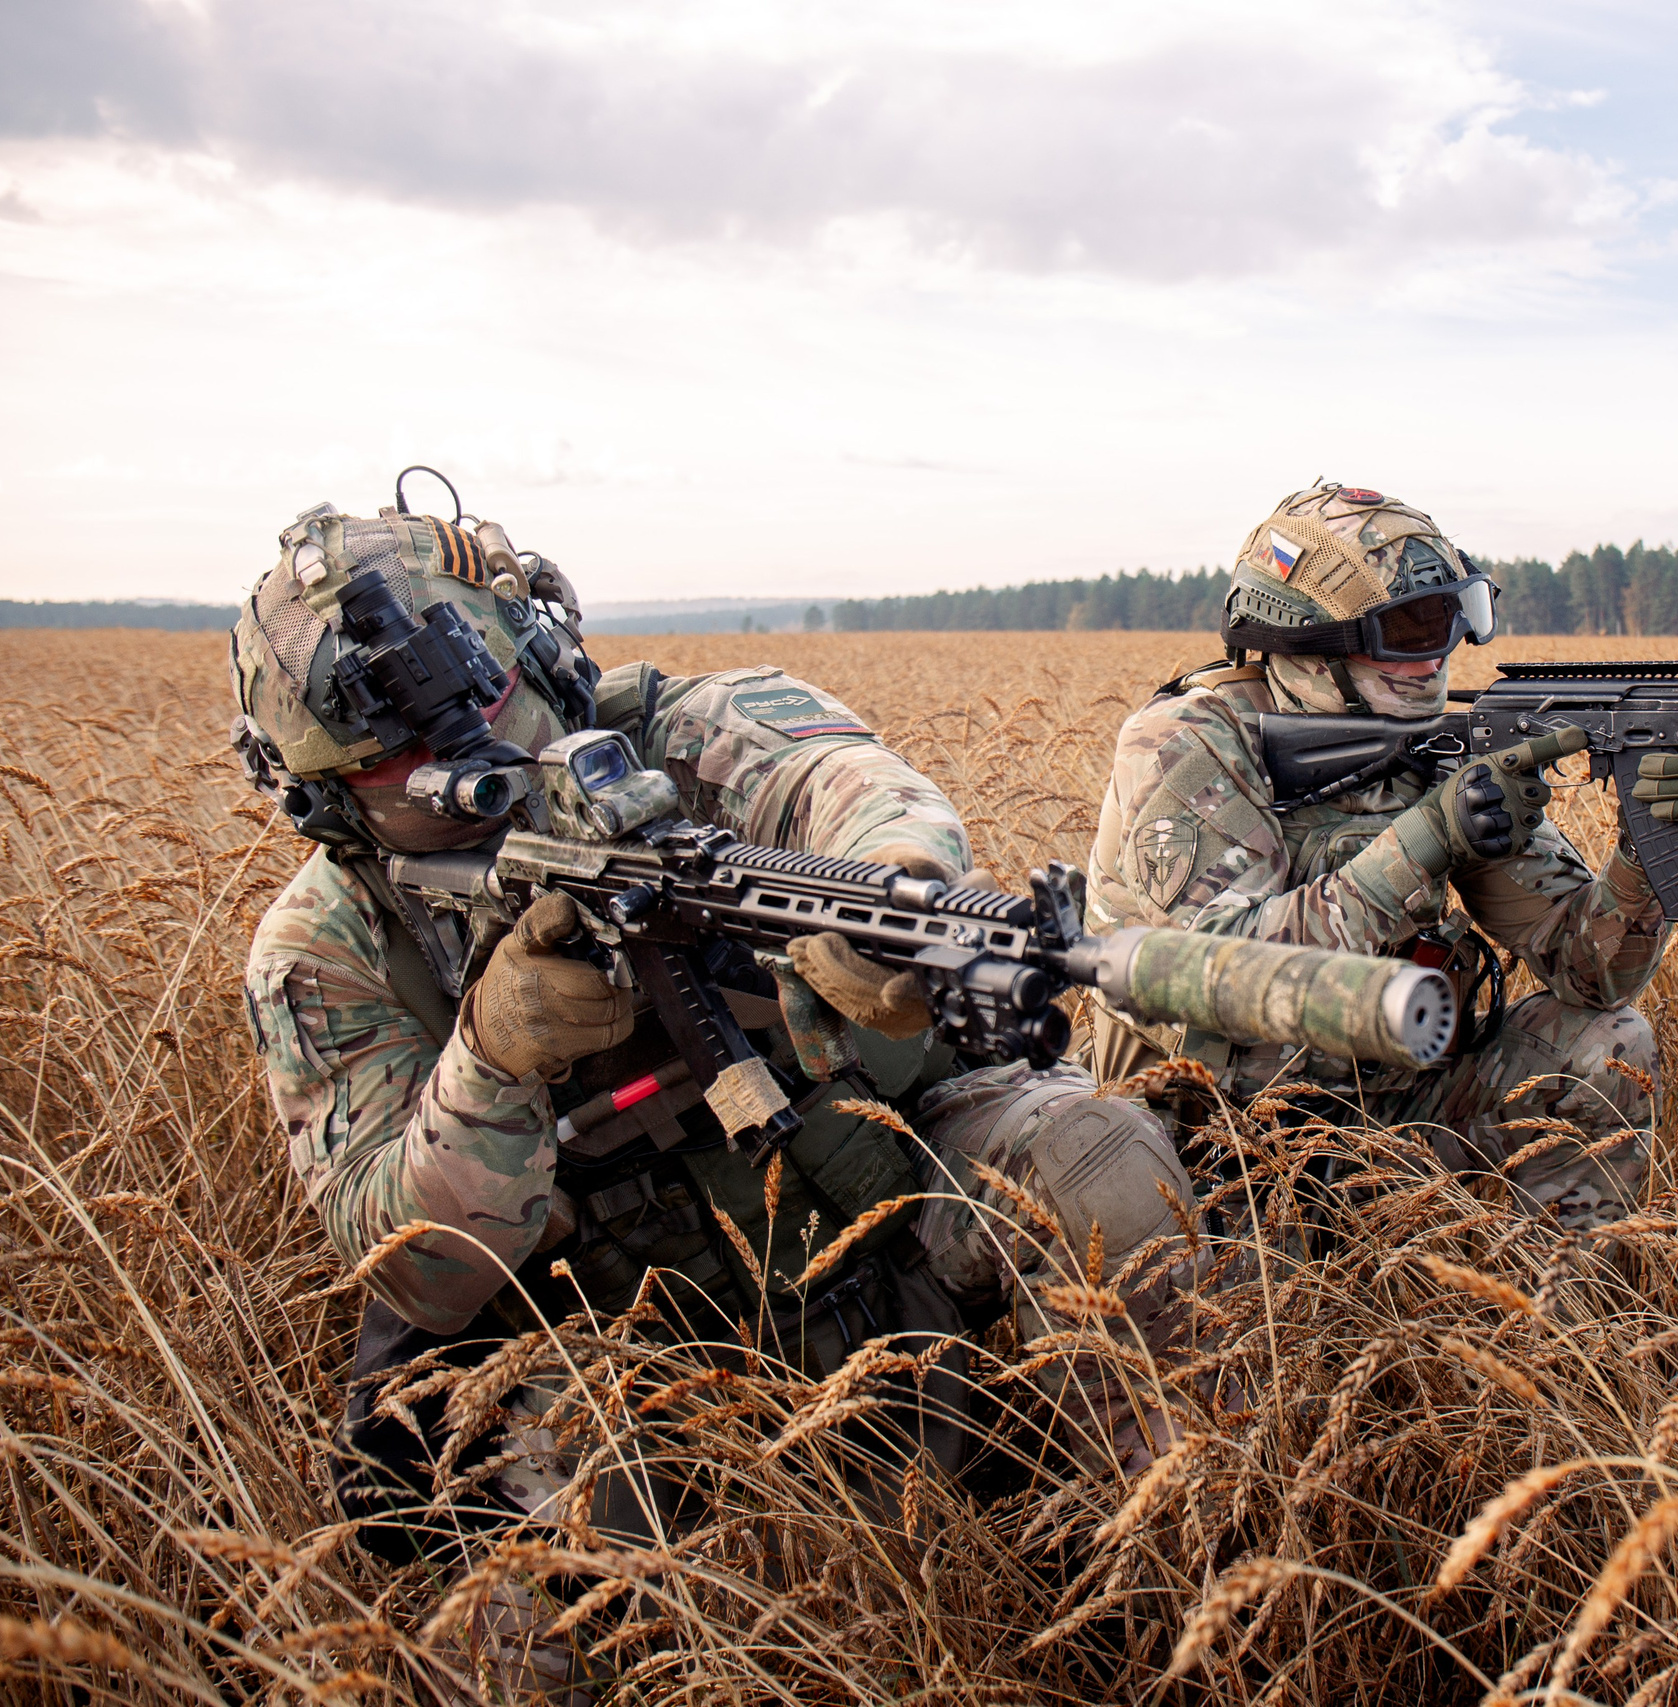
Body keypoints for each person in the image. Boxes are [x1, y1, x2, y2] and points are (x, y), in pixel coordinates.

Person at [231, 489, 1187, 1696]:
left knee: (1100, 1158)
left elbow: (858, 794)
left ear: (539, 657)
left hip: (883, 1194)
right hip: (626, 1333)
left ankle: (1156, 1594)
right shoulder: (330, 948)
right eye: (393, 769)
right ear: (325, 800)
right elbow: (414, 1265)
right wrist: (492, 1055)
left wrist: (888, 903)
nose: (464, 769)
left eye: (482, 708)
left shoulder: (697, 727)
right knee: (510, 1631)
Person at [1081, 481, 1678, 1227]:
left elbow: (1592, 972)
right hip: (1212, 1141)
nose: (1433, 661)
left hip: (1389, 1110)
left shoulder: (1431, 744)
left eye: (1450, 623)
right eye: (1404, 631)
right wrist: (1426, 841)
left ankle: (1567, 1330)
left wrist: (1646, 849)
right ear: (1308, 642)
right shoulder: (1186, 744)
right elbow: (1221, 976)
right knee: (1261, 1317)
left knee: (1606, 1049)